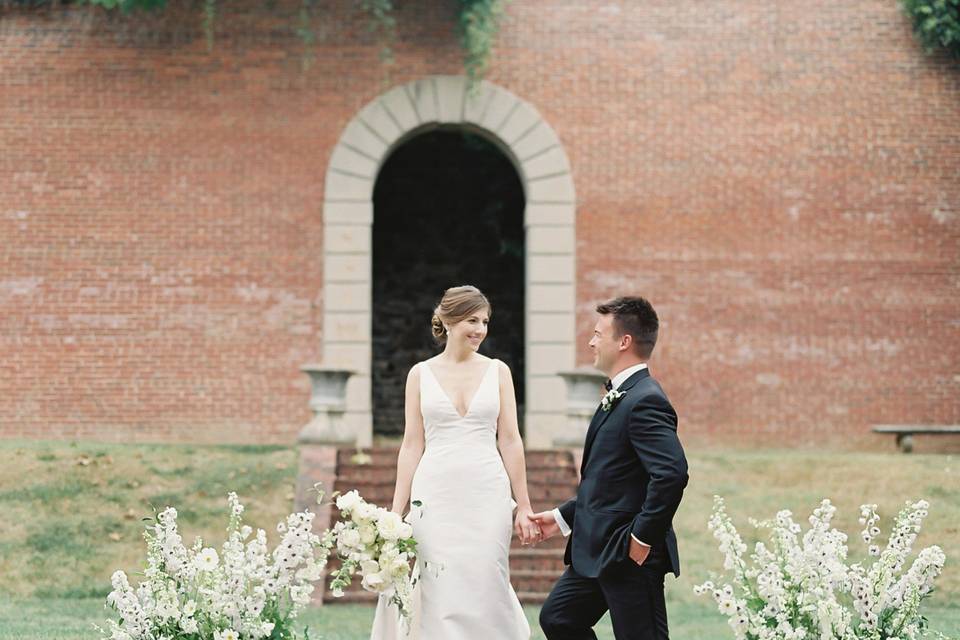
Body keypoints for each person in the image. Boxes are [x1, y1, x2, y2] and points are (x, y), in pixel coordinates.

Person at [370, 285, 536, 639]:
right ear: (446, 320)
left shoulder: (498, 371)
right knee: (437, 579)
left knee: (487, 575)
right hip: (435, 494)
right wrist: (396, 512)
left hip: (487, 492)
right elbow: (412, 445)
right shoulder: (420, 374)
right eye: (471, 320)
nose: (479, 329)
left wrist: (523, 505)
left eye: (484, 321)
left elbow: (509, 439)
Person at [533, 296, 688, 640]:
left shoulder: (645, 399)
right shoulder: (622, 394)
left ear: (624, 342)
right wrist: (562, 517)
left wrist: (642, 538)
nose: (591, 341)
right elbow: (612, 482)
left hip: (627, 550)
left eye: (598, 333)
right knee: (559, 619)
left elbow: (672, 474)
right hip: (596, 548)